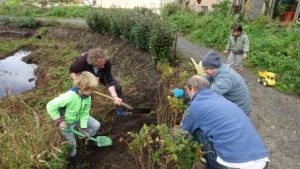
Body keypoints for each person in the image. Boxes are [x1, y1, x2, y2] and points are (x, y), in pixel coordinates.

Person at [181, 75, 269, 169]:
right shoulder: (221, 99)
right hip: (262, 159)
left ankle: (211, 166)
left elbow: (182, 134)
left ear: (192, 89)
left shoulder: (195, 107)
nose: (188, 95)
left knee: (197, 131)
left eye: (187, 91)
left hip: (237, 165)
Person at [46, 71, 101, 169]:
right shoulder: (69, 96)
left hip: (79, 117)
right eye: (92, 89)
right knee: (72, 144)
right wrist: (59, 120)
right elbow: (50, 106)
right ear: (84, 87)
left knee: (96, 125)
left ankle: (86, 138)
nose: (93, 91)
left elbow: (84, 113)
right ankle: (75, 160)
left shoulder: (87, 97)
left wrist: (84, 129)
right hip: (67, 123)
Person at [69, 47, 128, 116]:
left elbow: (109, 81)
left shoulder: (106, 62)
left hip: (100, 75)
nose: (103, 66)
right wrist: (79, 84)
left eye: (104, 64)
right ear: (93, 63)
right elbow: (72, 71)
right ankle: (79, 115)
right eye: (101, 65)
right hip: (86, 78)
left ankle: (120, 111)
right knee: (84, 95)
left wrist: (115, 97)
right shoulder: (82, 61)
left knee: (117, 87)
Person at [202, 50, 251, 115]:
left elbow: (210, 96)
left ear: (213, 67)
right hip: (232, 103)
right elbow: (207, 78)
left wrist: (193, 96)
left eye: (205, 69)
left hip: (239, 110)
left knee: (209, 112)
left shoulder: (224, 78)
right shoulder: (219, 68)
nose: (203, 71)